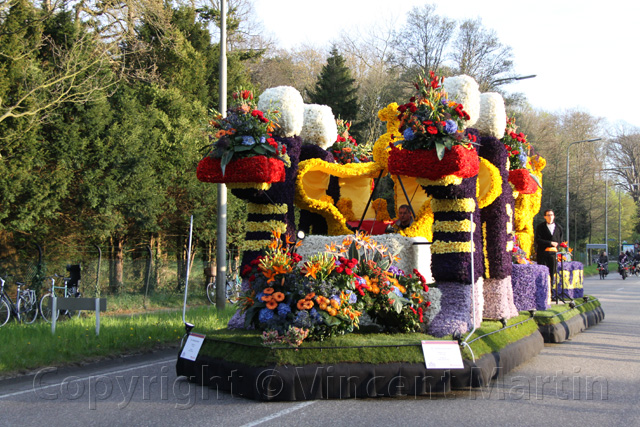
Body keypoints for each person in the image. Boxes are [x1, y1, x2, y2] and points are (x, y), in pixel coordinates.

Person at [534, 209, 563, 283]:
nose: (550, 217)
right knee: (543, 273)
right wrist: (550, 243)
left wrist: (557, 246)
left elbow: (560, 240)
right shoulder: (540, 227)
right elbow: (538, 240)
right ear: (545, 217)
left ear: (554, 216)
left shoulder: (558, 227)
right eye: (548, 215)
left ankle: (551, 291)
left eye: (552, 215)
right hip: (542, 254)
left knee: (552, 273)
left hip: (553, 254)